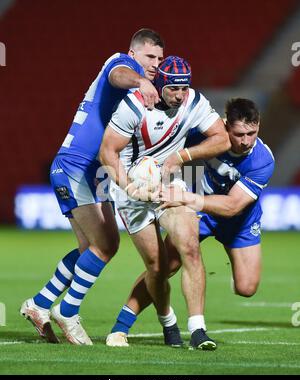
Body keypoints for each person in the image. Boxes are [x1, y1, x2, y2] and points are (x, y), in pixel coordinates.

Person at [20, 29, 164, 345]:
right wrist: (139, 79)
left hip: (90, 173)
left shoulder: (138, 96)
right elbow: (119, 74)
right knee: (107, 244)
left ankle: (39, 304)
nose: (154, 64)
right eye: (150, 56)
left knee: (93, 249)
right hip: (75, 166)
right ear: (134, 52)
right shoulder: (123, 64)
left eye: (159, 59)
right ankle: (68, 311)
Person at [108, 98, 275, 347]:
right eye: (239, 134)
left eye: (252, 133)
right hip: (201, 210)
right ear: (225, 126)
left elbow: (231, 206)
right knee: (165, 266)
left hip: (238, 218)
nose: (246, 141)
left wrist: (185, 197)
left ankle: (233, 261)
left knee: (247, 287)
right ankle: (121, 326)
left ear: (258, 126)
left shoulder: (263, 160)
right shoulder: (207, 134)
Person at [99, 56, 230, 350]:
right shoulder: (133, 106)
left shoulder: (193, 102)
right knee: (156, 269)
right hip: (132, 191)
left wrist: (182, 157)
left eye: (184, 89)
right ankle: (168, 322)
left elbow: (222, 140)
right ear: (159, 84)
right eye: (173, 89)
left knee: (190, 248)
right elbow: (107, 154)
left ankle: (198, 330)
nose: (180, 95)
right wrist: (133, 188)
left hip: (169, 186)